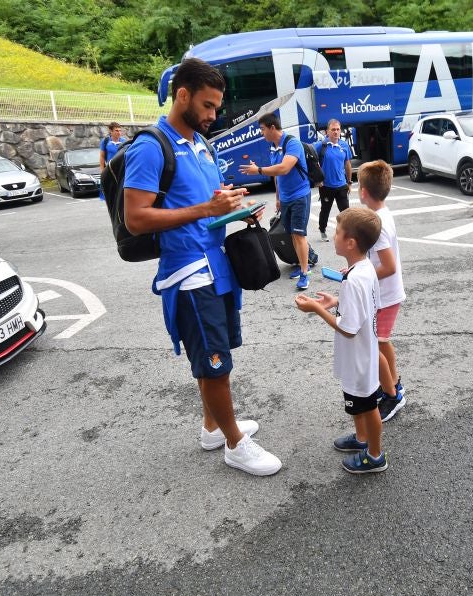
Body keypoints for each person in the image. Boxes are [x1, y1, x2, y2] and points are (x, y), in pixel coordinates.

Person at [123, 58, 281, 477]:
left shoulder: (200, 143)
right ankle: (235, 444)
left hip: (217, 266)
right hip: (190, 274)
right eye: (208, 106)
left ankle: (213, 427)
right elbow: (136, 217)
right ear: (183, 95)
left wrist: (231, 207)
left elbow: (205, 206)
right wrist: (205, 208)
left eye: (217, 107)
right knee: (215, 362)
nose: (214, 115)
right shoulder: (150, 146)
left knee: (216, 353)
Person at [295, 206, 388, 474]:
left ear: (350, 243)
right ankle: (361, 440)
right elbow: (368, 305)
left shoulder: (353, 279)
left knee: (368, 406)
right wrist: (337, 300)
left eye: (337, 233)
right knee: (358, 401)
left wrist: (317, 309)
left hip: (358, 357)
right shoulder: (365, 267)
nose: (333, 237)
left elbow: (347, 329)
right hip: (363, 353)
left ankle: (375, 454)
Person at [239, 114, 314, 291]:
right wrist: (278, 198)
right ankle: (302, 263)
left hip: (299, 196)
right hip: (286, 198)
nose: (261, 133)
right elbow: (277, 176)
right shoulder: (274, 147)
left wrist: (257, 169)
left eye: (263, 129)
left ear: (272, 127)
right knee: (291, 235)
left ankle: (304, 272)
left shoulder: (292, 143)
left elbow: (284, 168)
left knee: (298, 234)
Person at [357, 160, 407, 423]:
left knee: (377, 343)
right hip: (386, 294)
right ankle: (393, 382)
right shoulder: (382, 215)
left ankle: (393, 394)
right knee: (383, 340)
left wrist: (359, 274)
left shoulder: (378, 225)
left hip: (386, 295)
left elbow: (387, 266)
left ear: (363, 191)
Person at [313, 119, 353, 241]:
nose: (336, 132)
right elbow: (312, 161)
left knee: (346, 212)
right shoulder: (321, 145)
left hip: (341, 185)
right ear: (327, 132)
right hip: (326, 186)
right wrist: (317, 180)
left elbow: (347, 164)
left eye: (338, 129)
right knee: (325, 210)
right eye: (333, 130)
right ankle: (322, 229)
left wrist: (349, 182)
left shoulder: (344, 145)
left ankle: (348, 232)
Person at [98, 122, 127, 201]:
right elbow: (102, 156)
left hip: (121, 169)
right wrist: (102, 169)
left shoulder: (124, 141)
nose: (119, 133)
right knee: (110, 191)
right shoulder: (106, 141)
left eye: (120, 131)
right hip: (110, 169)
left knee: (121, 190)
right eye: (116, 131)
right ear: (111, 131)